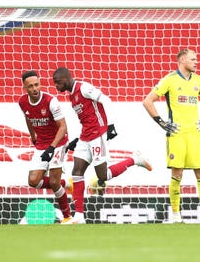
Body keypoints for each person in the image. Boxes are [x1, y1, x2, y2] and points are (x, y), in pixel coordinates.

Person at [53, 67, 152, 224]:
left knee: (103, 175)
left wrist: (111, 125)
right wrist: (77, 141)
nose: (56, 87)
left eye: (57, 83)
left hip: (98, 135)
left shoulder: (83, 88)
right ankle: (79, 216)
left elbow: (106, 100)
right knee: (77, 171)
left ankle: (134, 159)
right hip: (85, 136)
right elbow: (87, 118)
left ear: (65, 79)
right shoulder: (72, 96)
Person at [142, 48, 200, 223]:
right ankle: (176, 215)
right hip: (176, 135)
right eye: (193, 59)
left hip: (194, 134)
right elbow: (147, 101)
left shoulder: (198, 80)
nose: (196, 62)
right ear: (182, 60)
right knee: (178, 173)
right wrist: (162, 123)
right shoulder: (169, 80)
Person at [19, 70, 72, 223]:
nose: (34, 89)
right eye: (30, 86)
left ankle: (67, 217)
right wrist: (33, 137)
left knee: (54, 183)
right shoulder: (22, 102)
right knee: (33, 181)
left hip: (58, 143)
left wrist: (52, 147)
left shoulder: (51, 101)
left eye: (37, 85)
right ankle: (67, 184)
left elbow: (63, 127)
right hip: (42, 144)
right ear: (25, 88)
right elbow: (28, 118)